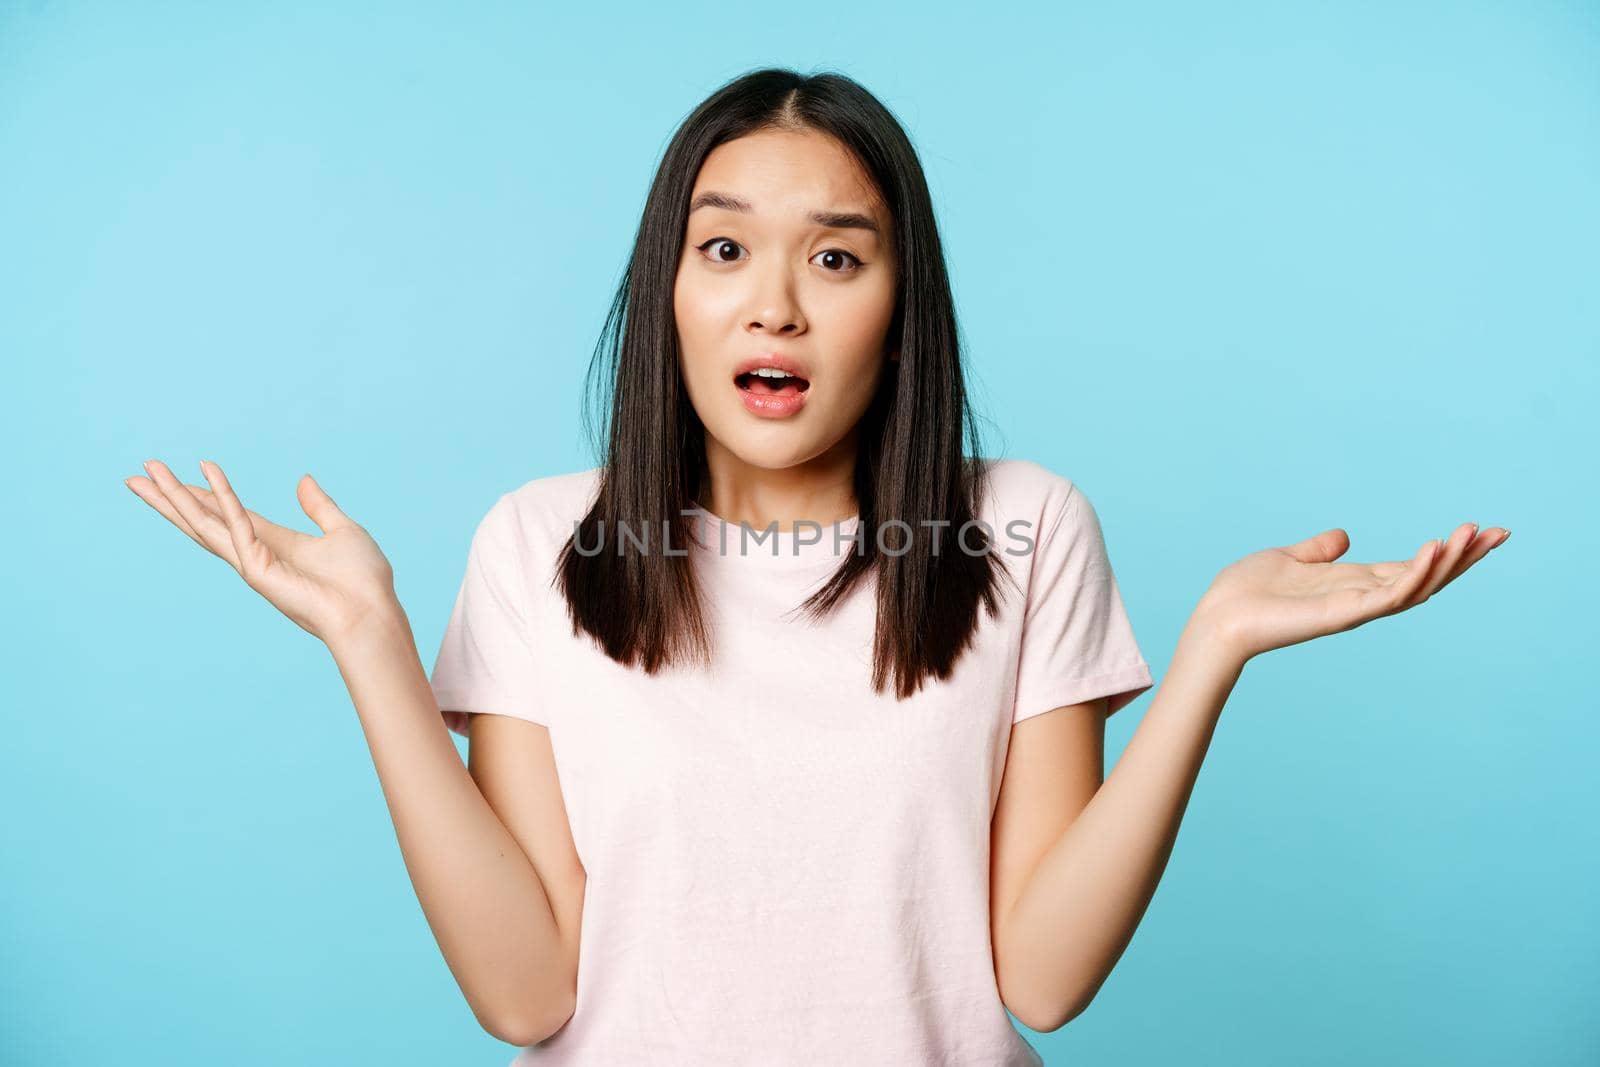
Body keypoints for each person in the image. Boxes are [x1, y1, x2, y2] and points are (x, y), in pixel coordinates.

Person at [125, 67, 1508, 1066]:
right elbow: (524, 996)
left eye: (835, 258)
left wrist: (1207, 654)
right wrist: (373, 645)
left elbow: (1042, 978)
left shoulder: (1023, 529)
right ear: (668, 289)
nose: (774, 301)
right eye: (723, 248)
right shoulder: (539, 543)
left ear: (902, 310)